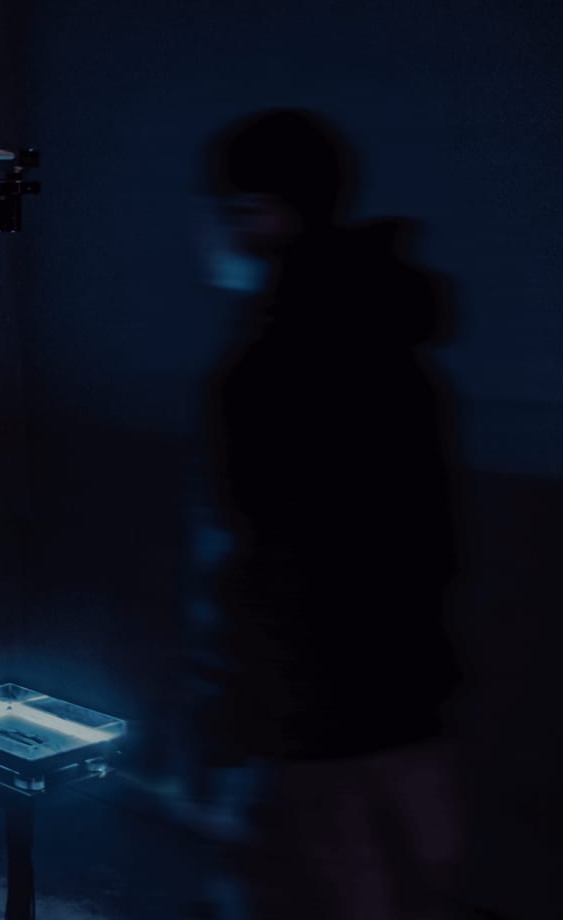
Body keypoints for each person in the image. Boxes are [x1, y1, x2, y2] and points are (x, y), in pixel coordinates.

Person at [184, 108, 467, 919]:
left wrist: (228, 728)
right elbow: (434, 546)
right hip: (414, 716)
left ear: (259, 214)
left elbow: (256, 563)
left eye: (217, 211)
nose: (202, 234)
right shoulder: (399, 350)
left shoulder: (266, 370)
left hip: (313, 737)